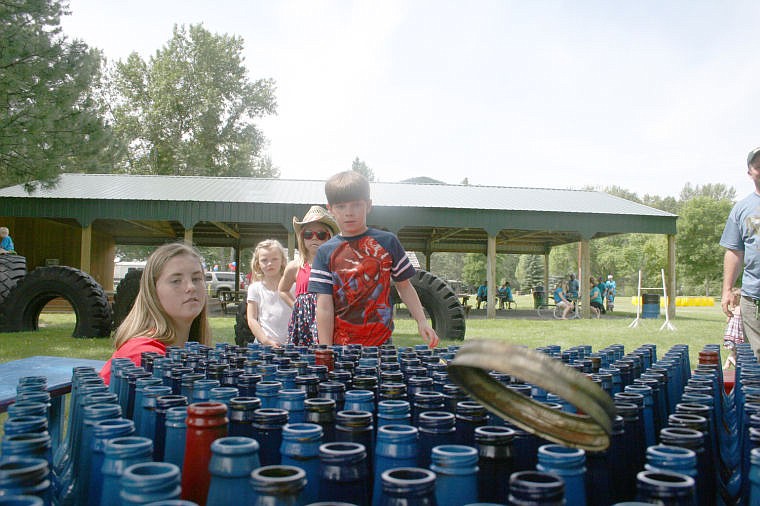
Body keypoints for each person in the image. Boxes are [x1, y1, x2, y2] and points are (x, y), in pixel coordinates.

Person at [309, 170, 439, 349]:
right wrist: (325, 349)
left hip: (381, 343)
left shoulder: (388, 241)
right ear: (330, 209)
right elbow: (324, 305)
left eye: (356, 205)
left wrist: (422, 321)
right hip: (341, 346)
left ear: (368, 205)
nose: (349, 213)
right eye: (341, 206)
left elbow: (404, 287)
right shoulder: (324, 252)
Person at [99, 243, 212, 384]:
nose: (191, 287)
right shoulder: (143, 358)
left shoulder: (190, 352)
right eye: (176, 281)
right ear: (153, 291)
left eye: (196, 279)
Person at [279, 206, 339, 346]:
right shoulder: (295, 266)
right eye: (308, 234)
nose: (314, 238)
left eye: (321, 235)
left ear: (330, 237)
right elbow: (282, 289)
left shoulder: (335, 266)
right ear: (302, 238)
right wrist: (296, 305)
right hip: (303, 322)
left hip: (328, 319)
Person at [721, 146, 760, 358]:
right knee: (756, 358)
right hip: (754, 299)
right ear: (750, 172)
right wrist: (727, 290)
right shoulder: (741, 209)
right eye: (758, 165)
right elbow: (734, 252)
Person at [247, 239, 291, 347]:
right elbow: (252, 318)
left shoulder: (292, 287)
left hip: (290, 346)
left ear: (282, 261)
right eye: (264, 260)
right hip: (264, 347)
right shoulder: (255, 288)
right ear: (258, 263)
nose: (269, 263)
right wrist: (266, 341)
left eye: (274, 259)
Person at [723, 287, 744, 368]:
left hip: (732, 333)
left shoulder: (734, 309)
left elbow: (727, 321)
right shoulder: (741, 309)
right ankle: (734, 362)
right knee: (737, 350)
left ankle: (727, 364)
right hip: (738, 333)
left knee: (735, 350)